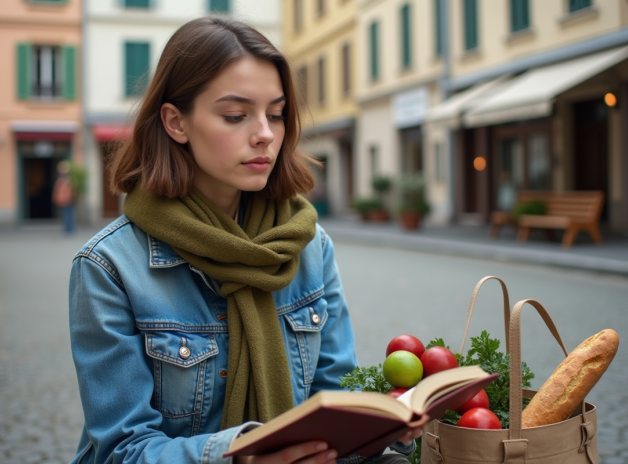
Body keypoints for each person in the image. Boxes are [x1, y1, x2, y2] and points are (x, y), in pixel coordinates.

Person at [68, 17, 420, 464]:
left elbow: (334, 398)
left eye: (275, 113)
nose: (266, 134)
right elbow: (120, 452)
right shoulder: (109, 267)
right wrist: (235, 456)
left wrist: (387, 425)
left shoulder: (308, 245)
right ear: (176, 122)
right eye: (236, 115)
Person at [52, 160, 75, 234]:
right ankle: (68, 229)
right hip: (64, 200)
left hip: (68, 200)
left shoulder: (68, 180)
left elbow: (70, 191)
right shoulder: (61, 180)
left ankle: (69, 229)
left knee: (68, 215)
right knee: (66, 215)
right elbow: (57, 191)